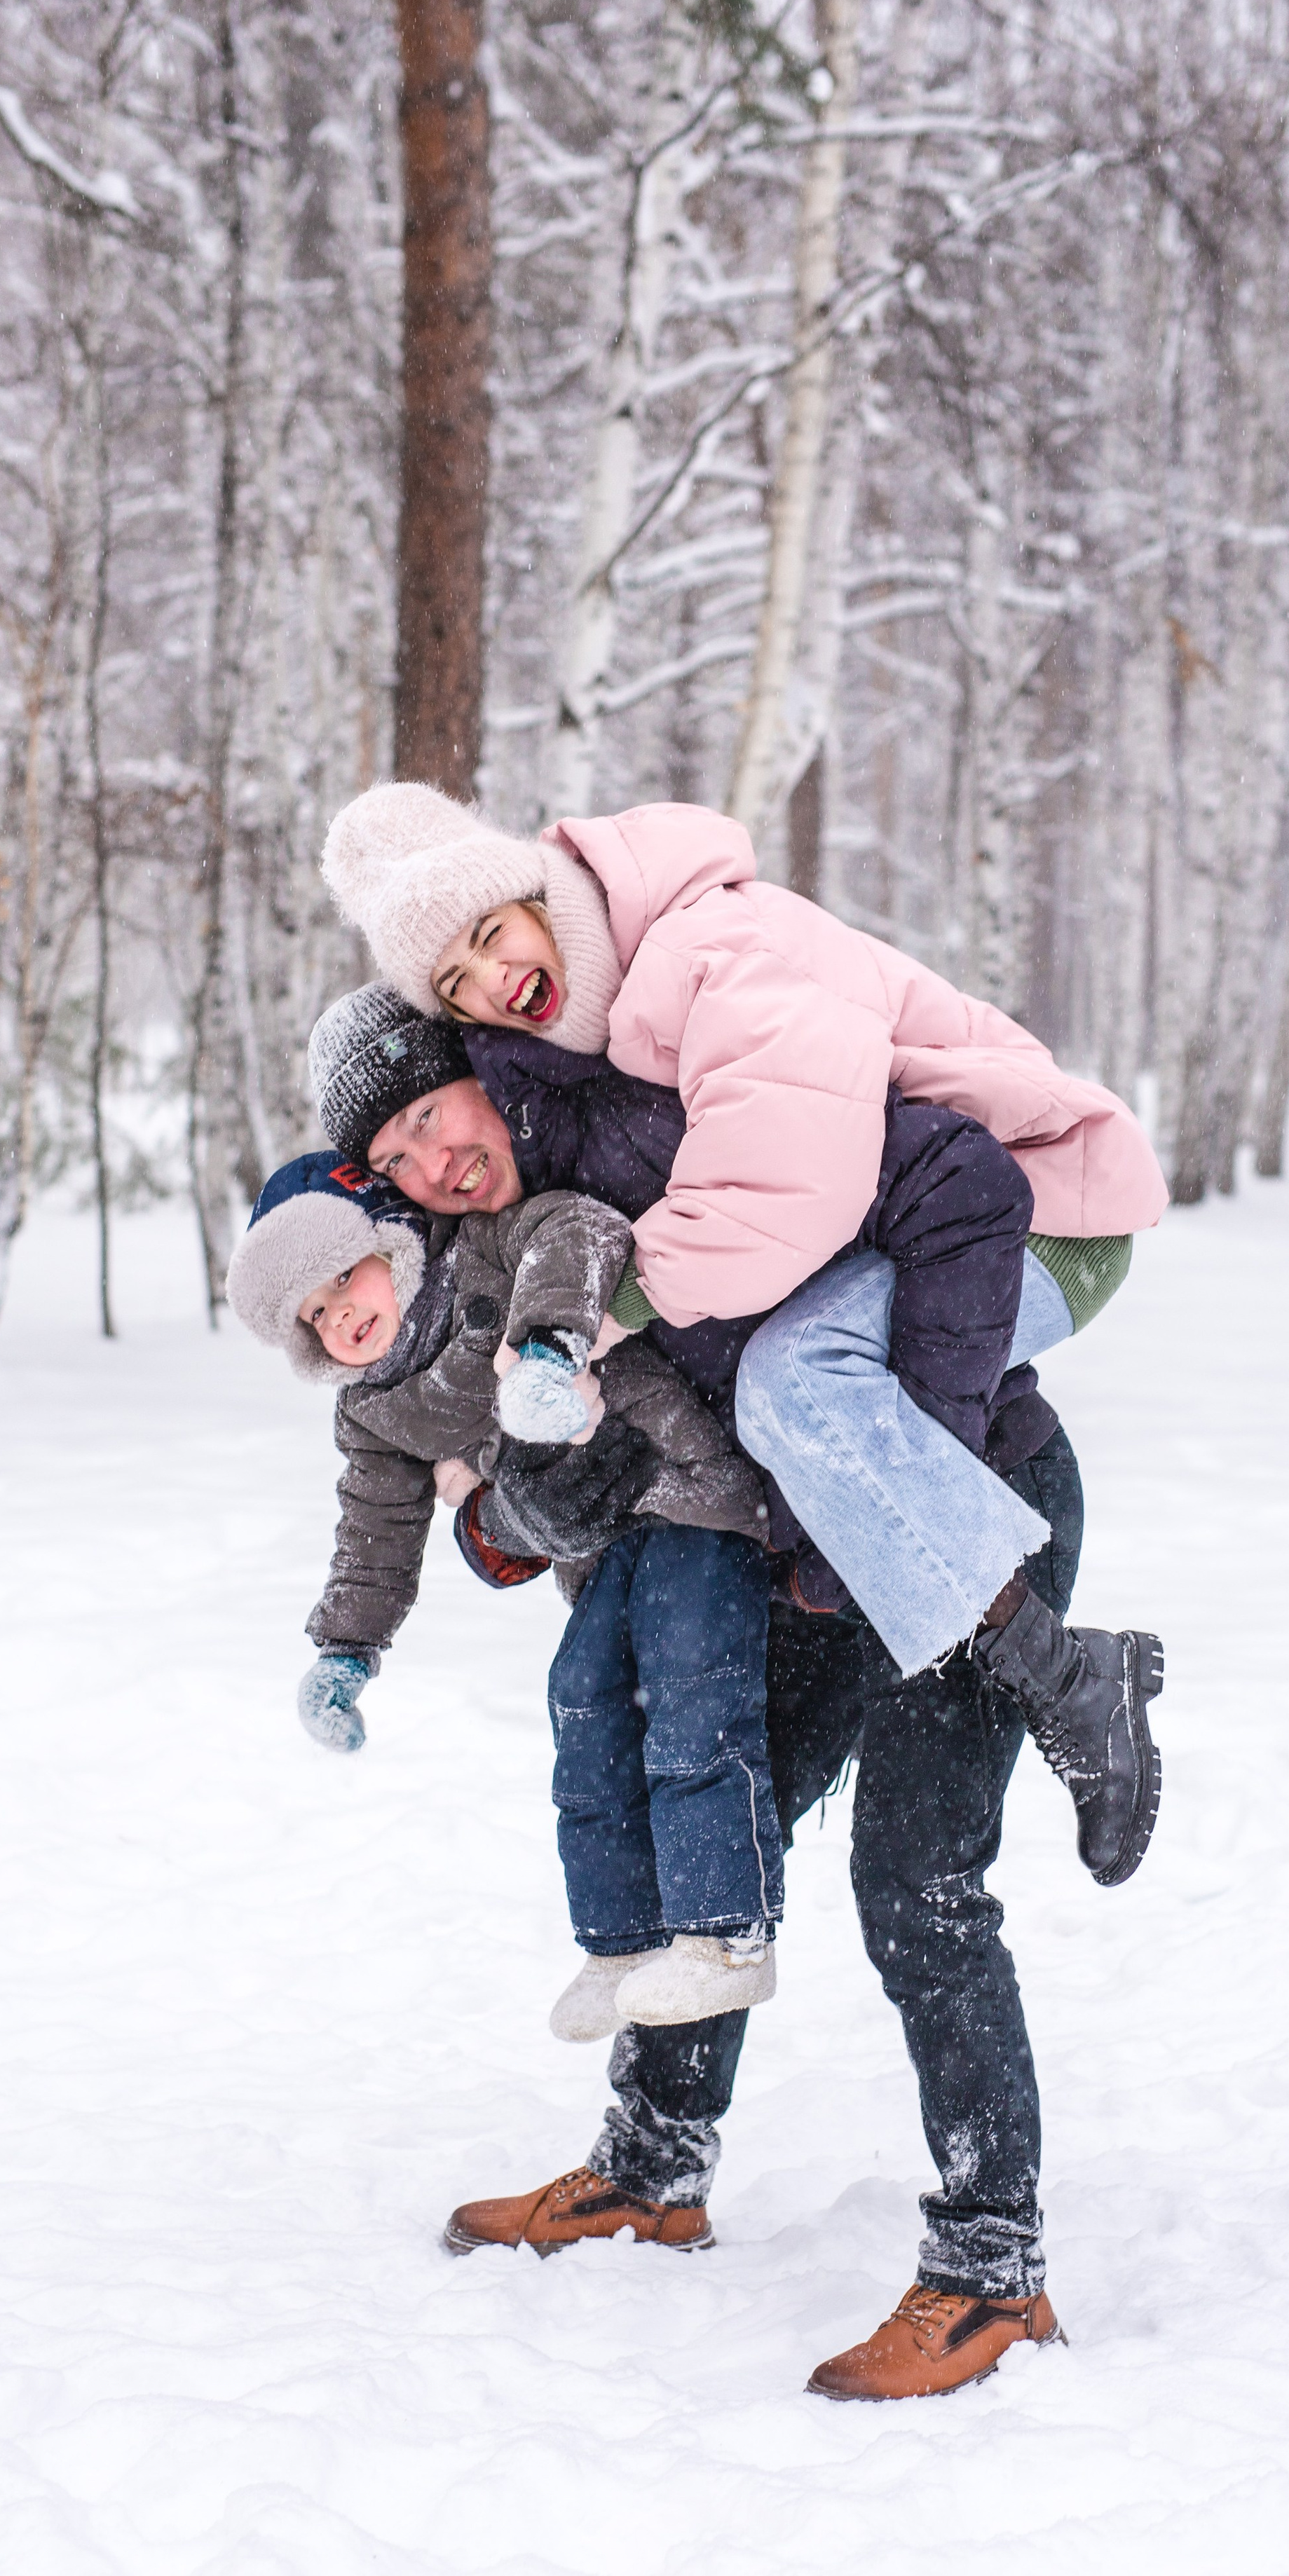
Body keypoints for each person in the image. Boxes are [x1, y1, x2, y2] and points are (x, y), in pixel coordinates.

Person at [297, 988, 1125, 2399]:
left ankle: (993, 2268)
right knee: (716, 1838)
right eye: (399, 1151)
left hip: (954, 1509)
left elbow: (898, 1258)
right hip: (796, 1566)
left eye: (437, 1111)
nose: (434, 1157)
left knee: (915, 1882)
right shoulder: (497, 1269)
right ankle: (651, 2171)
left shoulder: (666, 1138)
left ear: (494, 1077)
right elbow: (522, 1512)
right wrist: (521, 1497)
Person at [317, 784, 1165, 1874]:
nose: (490, 979)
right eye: (454, 983)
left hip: (1047, 1207)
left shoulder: (710, 942)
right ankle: (1058, 1675)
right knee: (791, 1390)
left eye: (490, 934)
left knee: (795, 1378)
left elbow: (781, 1192)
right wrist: (488, 1491)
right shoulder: (583, 1057)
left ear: (538, 888)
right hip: (924, 1230)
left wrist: (597, 1317)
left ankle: (1070, 1678)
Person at [224, 1140, 786, 2033]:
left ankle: (726, 1937)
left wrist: (549, 1351)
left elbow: (578, 1228)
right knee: (583, 1703)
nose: (341, 1316)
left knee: (690, 1694)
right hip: (596, 1549)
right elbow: (373, 1530)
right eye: (316, 1315)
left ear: (385, 1243)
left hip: (685, 1494)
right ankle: (621, 1943)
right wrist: (345, 1649)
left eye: (341, 1281)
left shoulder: (479, 1253)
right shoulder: (373, 1409)